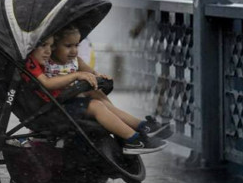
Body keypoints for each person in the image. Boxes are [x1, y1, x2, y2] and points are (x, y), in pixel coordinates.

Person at [23, 31, 168, 155]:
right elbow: (47, 83)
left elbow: (89, 72)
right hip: (52, 108)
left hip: (59, 101)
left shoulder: (48, 60)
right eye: (44, 45)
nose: (49, 51)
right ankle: (133, 140)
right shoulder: (31, 63)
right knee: (96, 106)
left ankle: (139, 127)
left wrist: (99, 76)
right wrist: (76, 75)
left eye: (50, 45)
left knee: (96, 94)